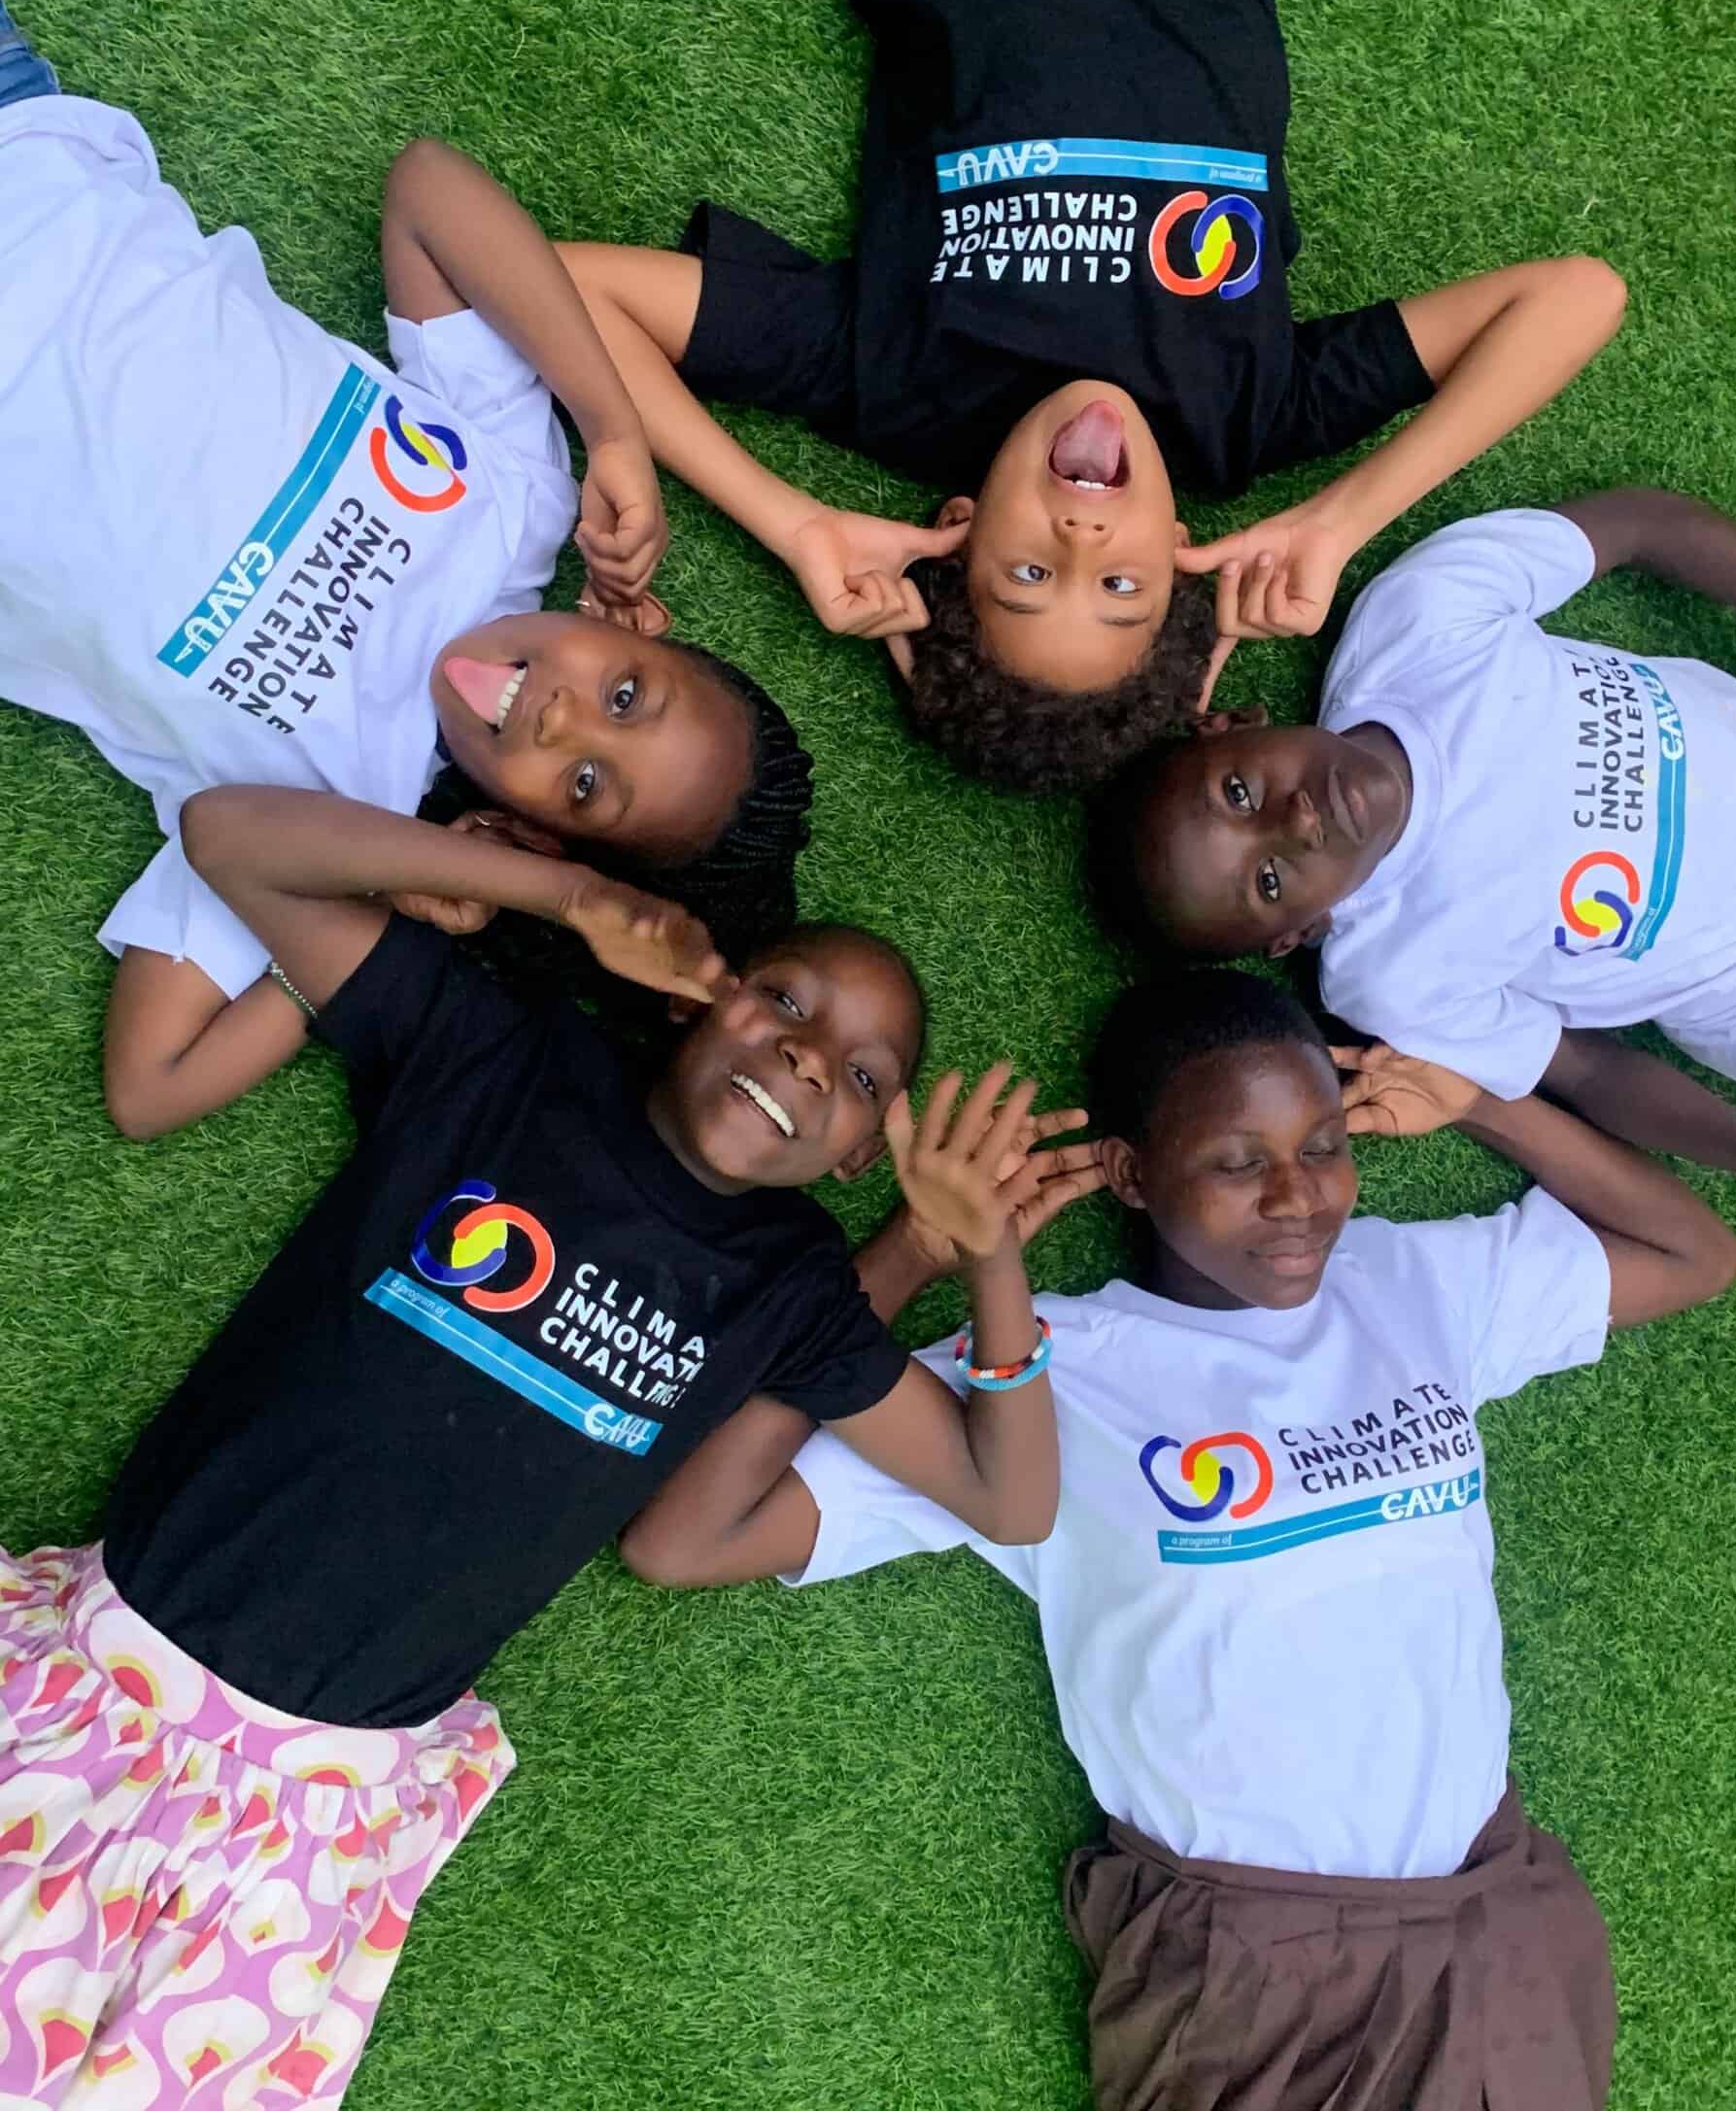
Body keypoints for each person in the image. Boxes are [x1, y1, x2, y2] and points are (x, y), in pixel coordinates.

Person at [0, 776, 1067, 2108]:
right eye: (787, 999)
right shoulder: (502, 1057)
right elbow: (227, 839)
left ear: (864, 1158)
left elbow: (1008, 1496)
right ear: (702, 994)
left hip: (312, 1804)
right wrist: (569, 896)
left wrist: (992, 1259)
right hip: (94, 1679)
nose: (806, 1056)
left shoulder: (793, 1291)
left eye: (862, 1077)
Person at [617, 970, 1736, 2110]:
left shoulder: (1409, 1286)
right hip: (1253, 1970)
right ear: (1131, 1175)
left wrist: (1480, 1103)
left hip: (1494, 1918)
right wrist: (917, 1250)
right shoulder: (1045, 1371)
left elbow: (1699, 1255)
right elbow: (686, 1539)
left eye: (1321, 1147)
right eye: (1237, 1163)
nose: (1299, 1200)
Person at [555, 0, 1624, 795]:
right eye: (1121, 584)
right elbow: (1575, 297)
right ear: (1176, 547)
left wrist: (787, 519)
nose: (1080, 534)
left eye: (1027, 576)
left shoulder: (898, 388)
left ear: (955, 533)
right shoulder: (1248, 417)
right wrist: (1342, 519)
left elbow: (568, 288)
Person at [0, 0, 812, 1142]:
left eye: (585, 786)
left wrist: (516, 893)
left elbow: (151, 1085)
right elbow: (429, 189)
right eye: (626, 694)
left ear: (531, 833)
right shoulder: (518, 502)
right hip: (29, 166)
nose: (563, 719)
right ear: (632, 620)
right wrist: (614, 429)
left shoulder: (337, 819)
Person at [1096, 492, 1736, 1199]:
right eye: (1269, 881)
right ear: (1296, 933)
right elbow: (1588, 1069)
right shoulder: (1393, 979)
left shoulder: (1418, 624)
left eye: (1239, 793)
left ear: (1230, 724)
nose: (1297, 823)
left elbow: (1639, 526)